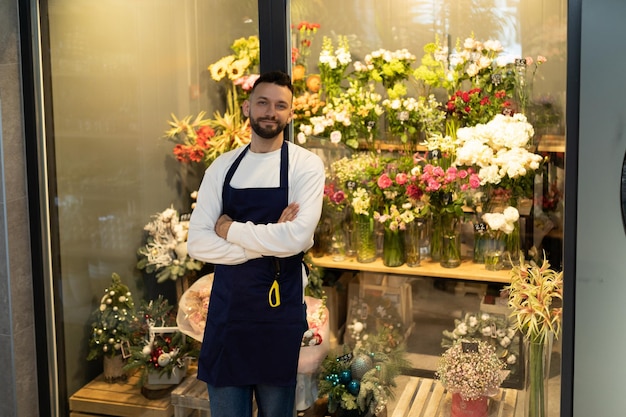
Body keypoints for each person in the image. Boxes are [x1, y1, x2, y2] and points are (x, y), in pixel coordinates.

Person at [187, 70, 326, 417]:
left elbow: (297, 237)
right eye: (262, 102)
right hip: (228, 313)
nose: (270, 111)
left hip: (277, 315)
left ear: (291, 114)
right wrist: (268, 240)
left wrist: (230, 228)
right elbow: (198, 244)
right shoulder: (222, 168)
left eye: (281, 105)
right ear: (247, 107)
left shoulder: (304, 166)